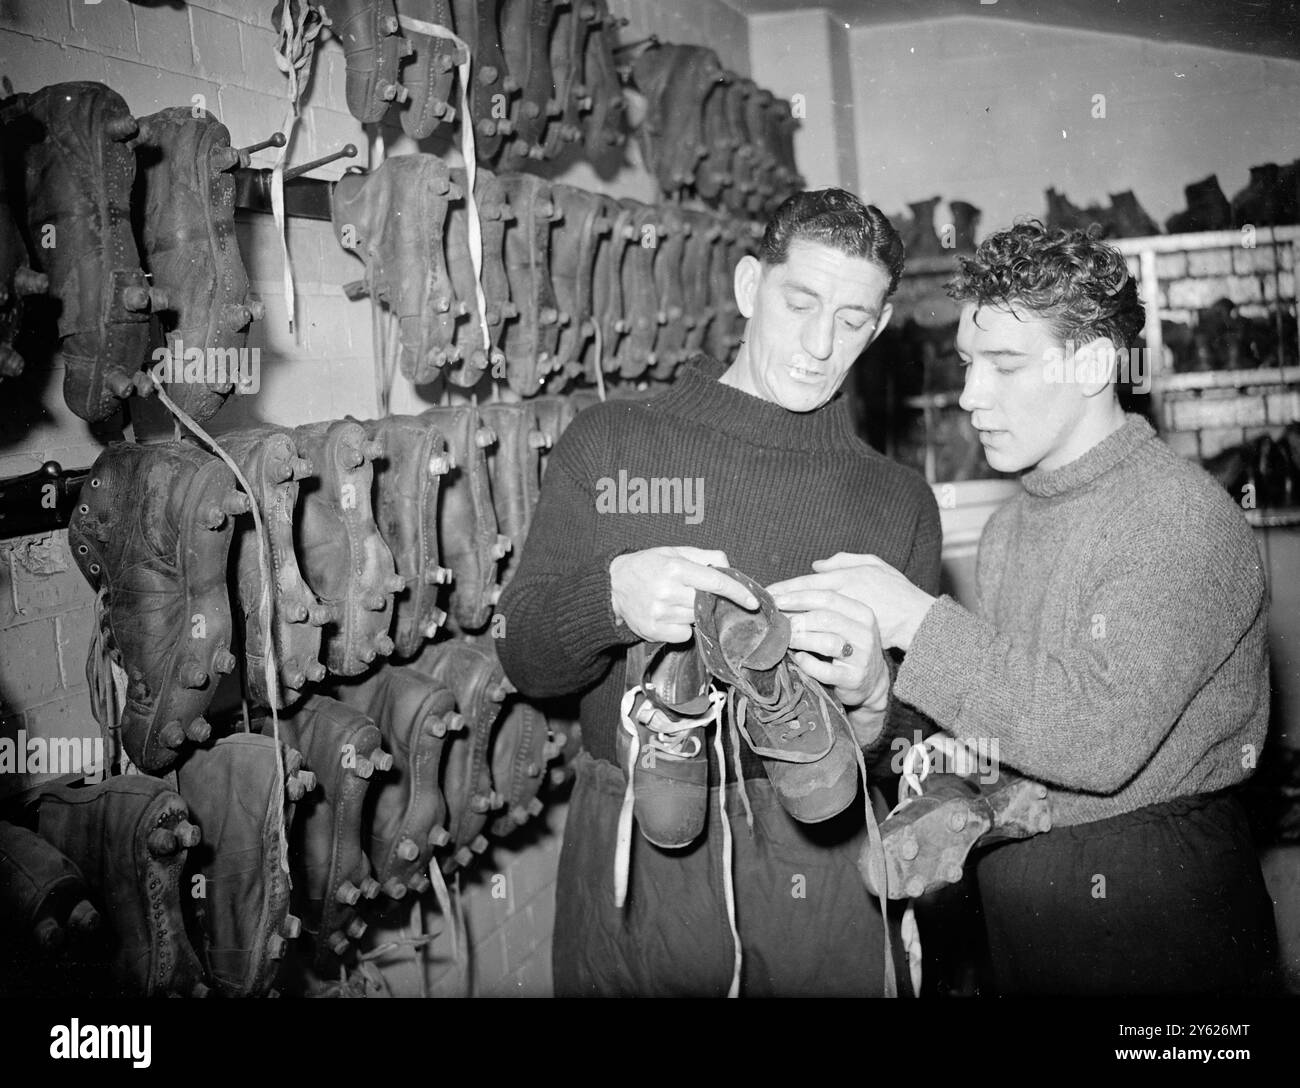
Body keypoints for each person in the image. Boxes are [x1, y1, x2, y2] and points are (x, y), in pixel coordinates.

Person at [770, 220, 1279, 996]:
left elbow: (1098, 738)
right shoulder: (1013, 524)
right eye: (971, 364)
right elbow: (1012, 719)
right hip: (1032, 918)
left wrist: (918, 621)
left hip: (1157, 920)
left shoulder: (1179, 518)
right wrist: (889, 712)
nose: (973, 396)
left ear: (1095, 364)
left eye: (1006, 366)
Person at [496, 189, 940, 997]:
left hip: (823, 853)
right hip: (645, 850)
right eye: (799, 301)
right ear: (747, 287)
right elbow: (524, 657)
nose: (818, 342)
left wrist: (877, 700)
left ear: (877, 329)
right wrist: (610, 600)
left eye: (851, 319)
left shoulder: (897, 500)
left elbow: (912, 743)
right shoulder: (615, 444)